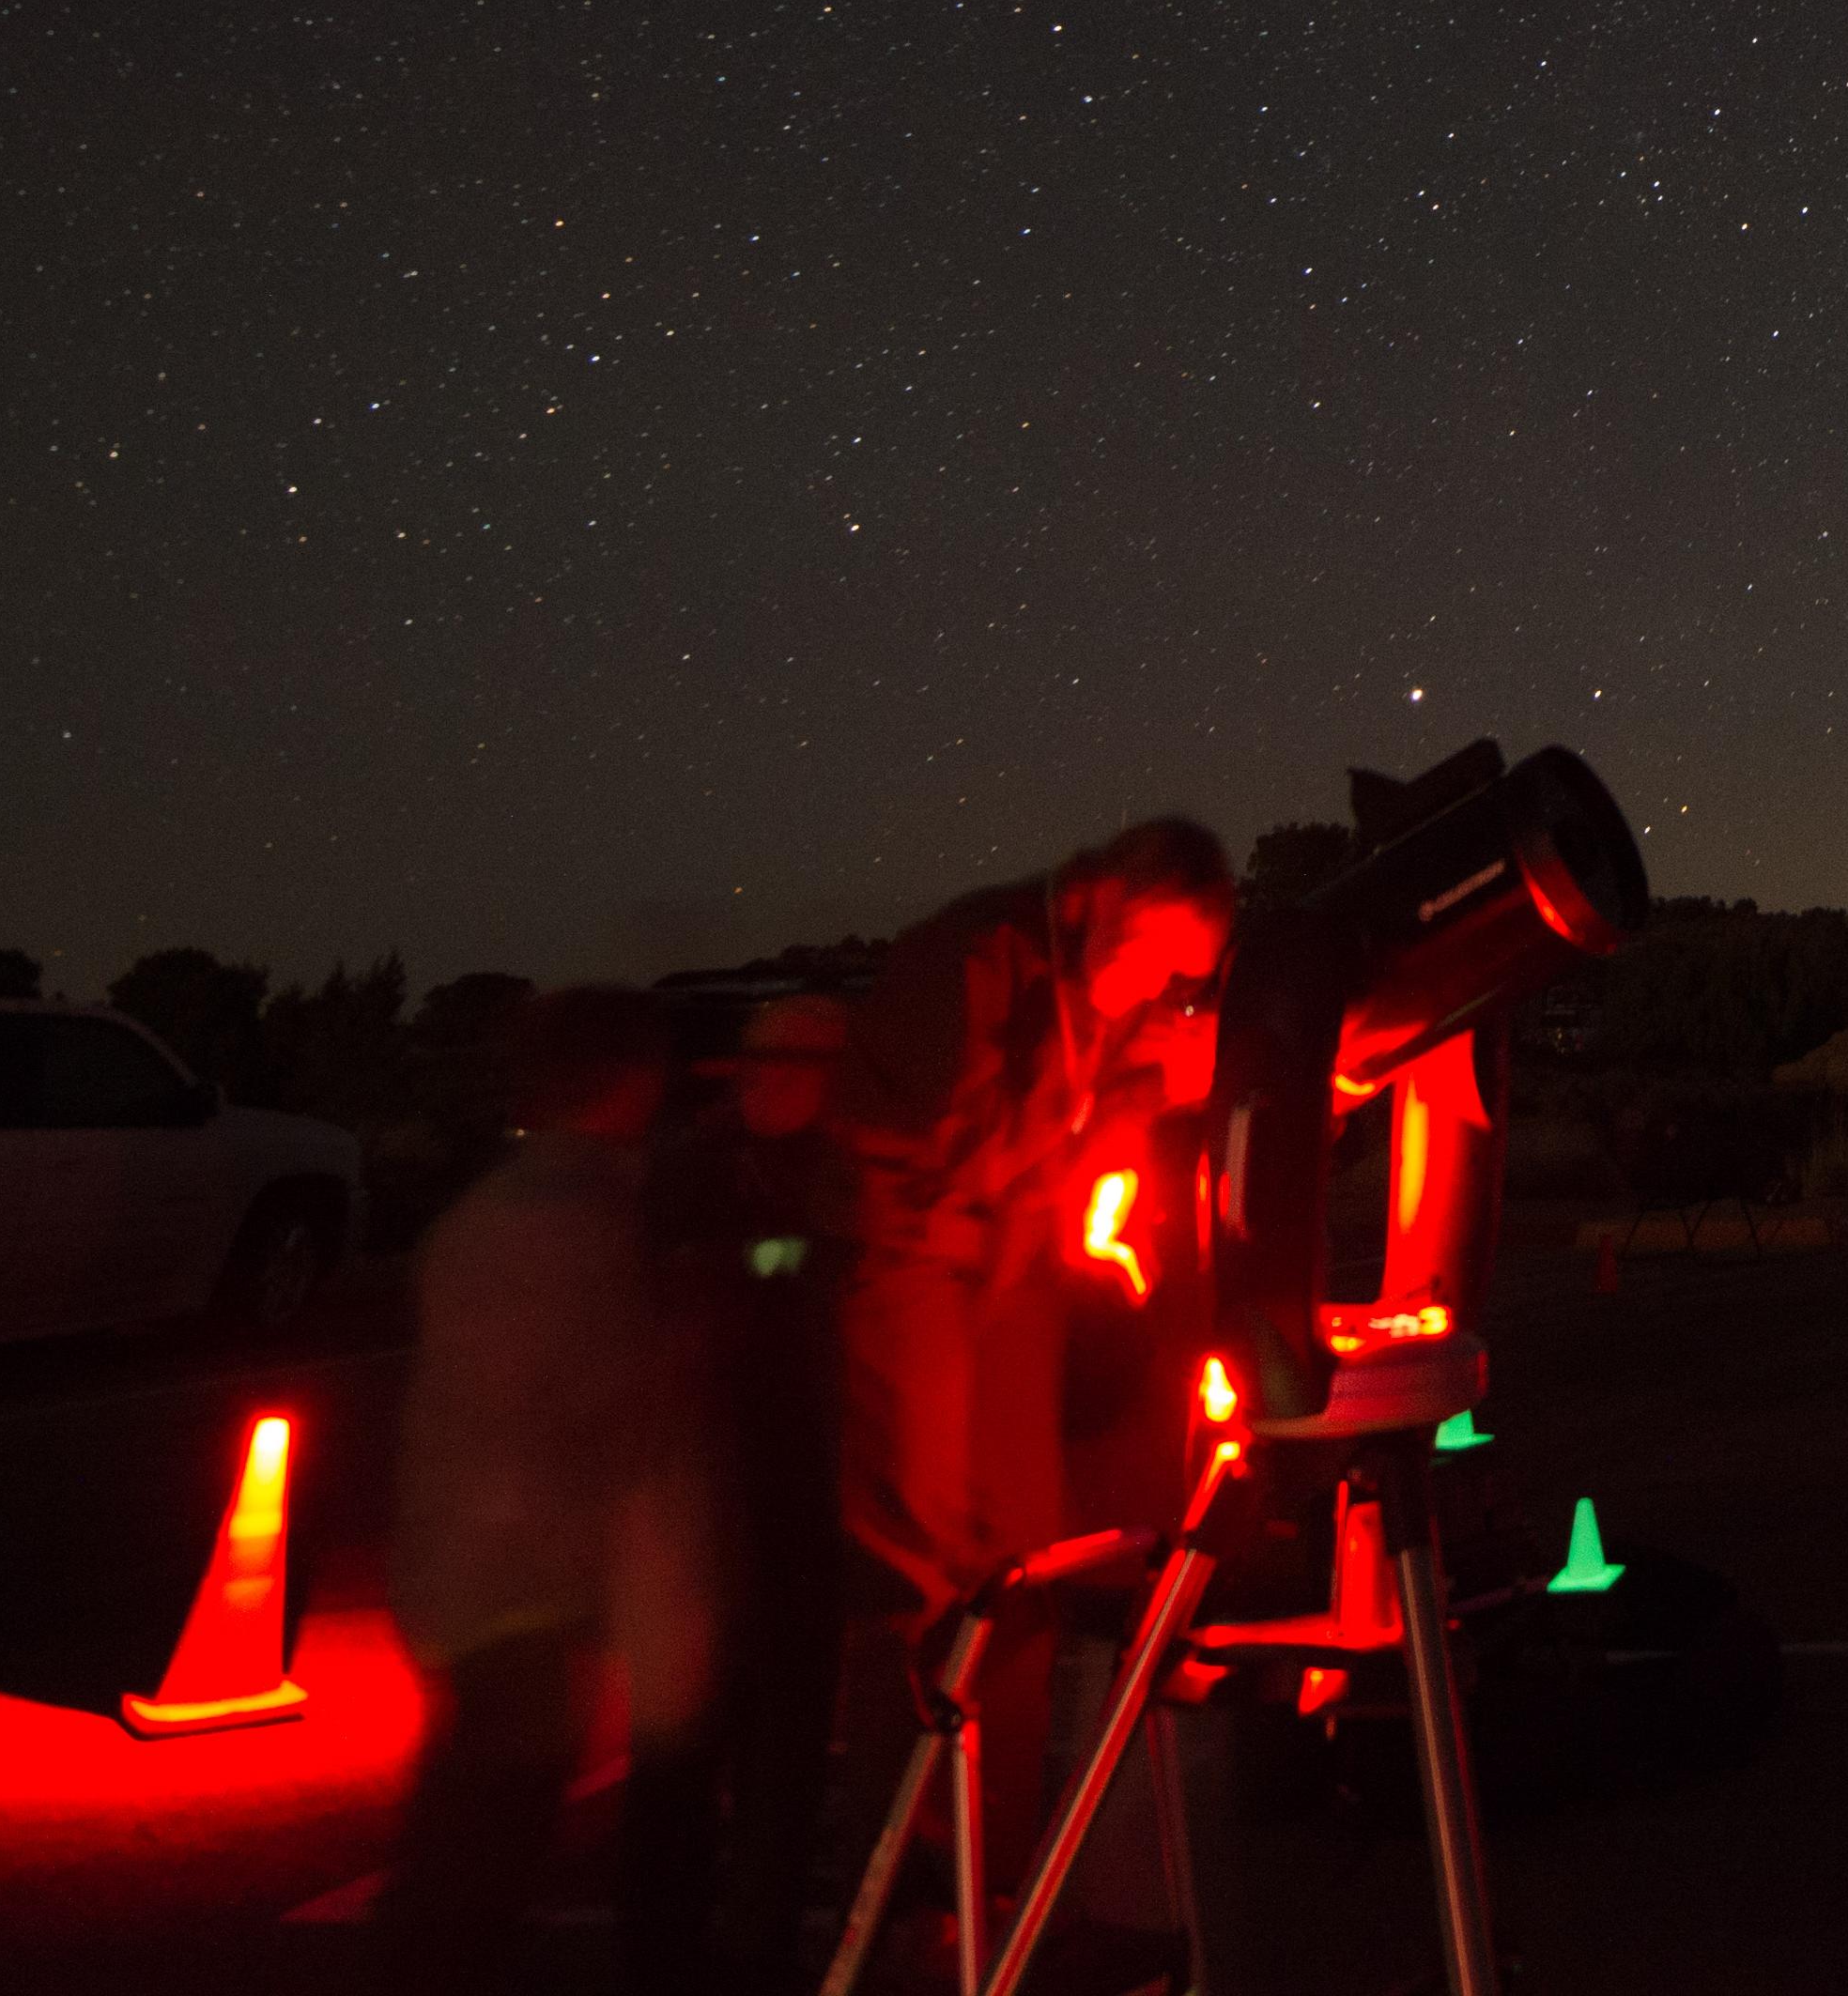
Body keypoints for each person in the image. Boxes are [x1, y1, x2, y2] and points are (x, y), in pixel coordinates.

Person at [835, 822, 1232, 1899]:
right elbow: (961, 1152)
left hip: (1001, 1282)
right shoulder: (969, 959)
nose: (1163, 988)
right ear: (1107, 899)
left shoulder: (1094, 988)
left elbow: (1072, 1128)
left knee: (1020, 1555)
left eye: (1184, 980)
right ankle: (915, 1881)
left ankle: (995, 1863)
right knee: (923, 1567)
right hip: (914, 1271)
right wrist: (1107, 1095)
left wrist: (1161, 1080)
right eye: (1160, 960)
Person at [380, 986, 706, 1995]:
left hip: (460, 1556)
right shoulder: (589, 1221)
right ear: (632, 1078)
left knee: (465, 1825)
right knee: (483, 1844)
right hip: (525, 1572)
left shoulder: (486, 1212)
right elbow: (613, 1403)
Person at [628, 991, 849, 1996]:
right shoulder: (697, 1170)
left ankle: (757, 1946)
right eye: (754, 1060)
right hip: (707, 1488)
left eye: (788, 1062)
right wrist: (797, 1255)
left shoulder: (840, 1164)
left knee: (787, 1739)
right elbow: (689, 1282)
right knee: (687, 1732)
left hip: (804, 1491)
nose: (762, 1076)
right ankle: (664, 1951)